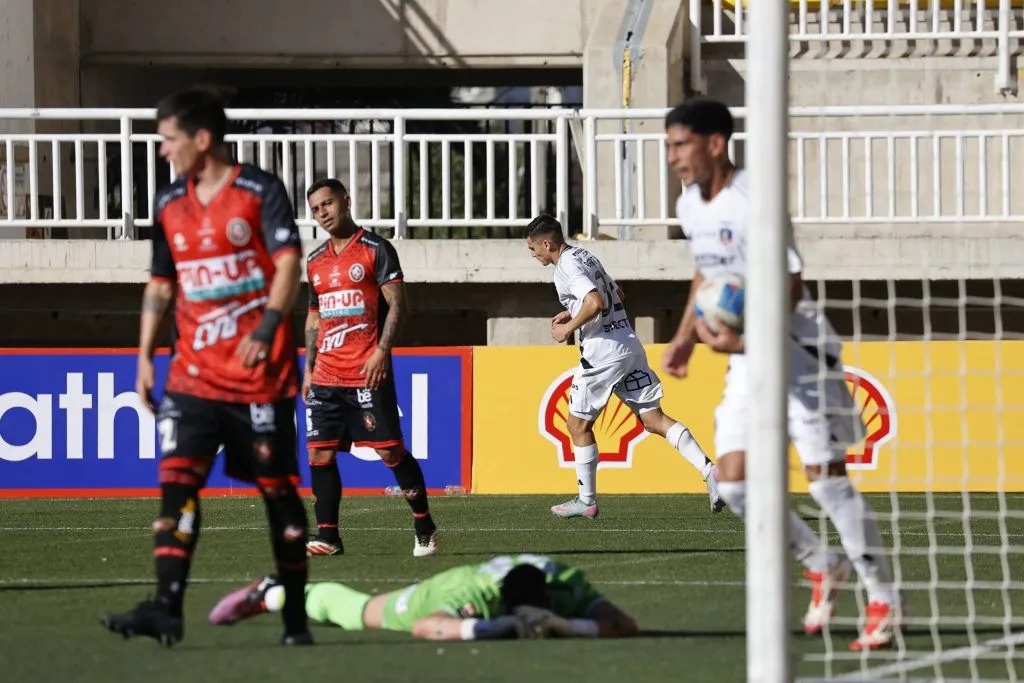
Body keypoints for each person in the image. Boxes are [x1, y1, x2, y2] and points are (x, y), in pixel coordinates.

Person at [661, 98, 903, 651]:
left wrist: (746, 337)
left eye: (681, 144)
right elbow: (706, 272)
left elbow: (791, 283)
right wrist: (683, 339)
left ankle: (885, 596)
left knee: (826, 480)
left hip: (796, 352)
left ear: (715, 143)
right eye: (669, 146)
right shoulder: (689, 205)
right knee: (734, 482)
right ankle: (822, 562)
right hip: (748, 361)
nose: (673, 156)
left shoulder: (754, 200)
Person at [100, 88, 312, 647]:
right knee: (177, 487)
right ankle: (167, 608)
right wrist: (144, 355)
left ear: (201, 138)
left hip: (258, 379)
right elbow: (161, 282)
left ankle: (294, 619)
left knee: (279, 495)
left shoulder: (259, 191)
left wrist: (267, 327)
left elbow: (289, 263)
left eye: (168, 139)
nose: (162, 150)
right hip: (191, 376)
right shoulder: (169, 202)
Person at [525, 215, 724, 518]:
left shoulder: (565, 265)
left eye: (533, 249)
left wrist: (568, 329)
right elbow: (616, 293)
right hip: (628, 344)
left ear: (547, 243)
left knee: (577, 425)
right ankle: (711, 471)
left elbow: (595, 303)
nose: (534, 255)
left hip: (603, 353)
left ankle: (586, 499)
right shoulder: (585, 255)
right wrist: (571, 312)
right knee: (653, 419)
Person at [302, 178, 438, 557]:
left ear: (345, 202)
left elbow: (398, 305)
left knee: (391, 452)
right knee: (319, 456)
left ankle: (424, 523)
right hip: (326, 376)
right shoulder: (315, 261)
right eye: (315, 209)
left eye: (327, 204)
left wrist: (381, 351)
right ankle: (328, 537)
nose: (322, 213)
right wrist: (308, 368)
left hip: (366, 372)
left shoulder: (376, 249)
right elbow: (314, 317)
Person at [208, 553, 639, 640]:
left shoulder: (568, 583)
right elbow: (426, 626)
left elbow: (625, 625)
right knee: (360, 612)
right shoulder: (471, 592)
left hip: (515, 584)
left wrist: (570, 627)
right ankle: (276, 593)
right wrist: (493, 627)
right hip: (441, 588)